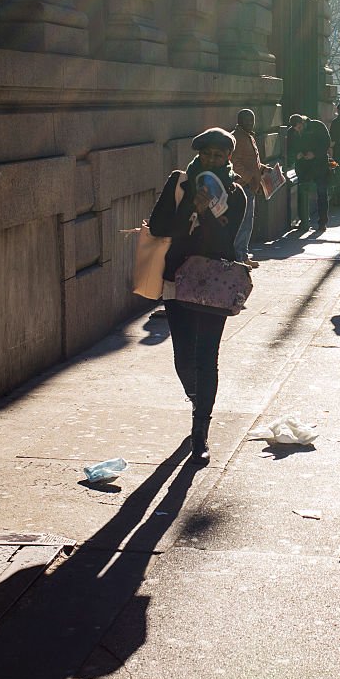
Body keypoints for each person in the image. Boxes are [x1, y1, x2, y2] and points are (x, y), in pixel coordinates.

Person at [148, 127, 247, 465]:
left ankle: (200, 432)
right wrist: (190, 205)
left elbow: (226, 243)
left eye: (219, 155)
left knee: (207, 356)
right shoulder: (180, 183)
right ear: (199, 154)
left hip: (213, 283)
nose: (212, 160)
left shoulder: (235, 194)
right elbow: (160, 227)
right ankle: (197, 397)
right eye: (207, 154)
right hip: (177, 278)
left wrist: (208, 213)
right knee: (183, 358)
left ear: (228, 158)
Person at [231, 109, 269, 268]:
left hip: (251, 186)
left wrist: (262, 169)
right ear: (240, 121)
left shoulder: (249, 136)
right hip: (243, 187)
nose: (250, 123)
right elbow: (235, 162)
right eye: (246, 120)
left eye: (252, 120)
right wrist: (248, 178)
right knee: (243, 223)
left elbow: (251, 161)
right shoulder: (237, 137)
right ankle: (239, 257)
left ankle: (243, 255)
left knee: (247, 223)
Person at [289, 113, 331, 232]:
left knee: (322, 193)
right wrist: (297, 155)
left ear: (303, 122)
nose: (298, 131)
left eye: (300, 128)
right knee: (302, 193)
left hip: (319, 165)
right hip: (303, 167)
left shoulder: (317, 126)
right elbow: (290, 148)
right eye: (296, 129)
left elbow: (326, 143)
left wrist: (315, 154)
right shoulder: (292, 132)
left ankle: (322, 222)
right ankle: (303, 220)